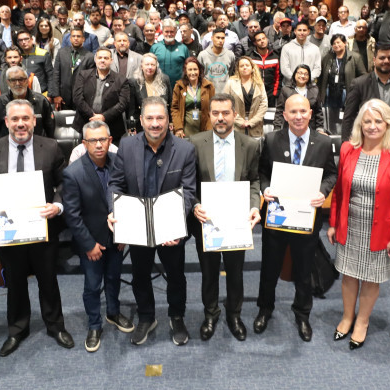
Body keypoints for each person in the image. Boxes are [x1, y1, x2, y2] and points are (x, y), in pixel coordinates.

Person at [0, 99, 74, 356]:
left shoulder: (51, 147)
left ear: (34, 121)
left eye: (25, 119)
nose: (20, 124)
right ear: (6, 122)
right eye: (15, 119)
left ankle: (55, 326)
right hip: (8, 231)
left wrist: (58, 206)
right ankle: (17, 329)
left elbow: (66, 185)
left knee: (48, 280)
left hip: (43, 228)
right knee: (15, 282)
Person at [107, 96, 197, 346]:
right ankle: (147, 316)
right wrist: (114, 209)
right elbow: (115, 183)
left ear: (169, 121)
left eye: (160, 118)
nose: (155, 123)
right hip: (137, 226)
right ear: (141, 120)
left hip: (171, 229)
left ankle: (176, 316)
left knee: (176, 276)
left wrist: (177, 224)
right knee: (140, 275)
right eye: (150, 118)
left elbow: (189, 192)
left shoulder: (185, 149)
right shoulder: (126, 145)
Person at [327, 99, 390, 350]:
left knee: (371, 279)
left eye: (378, 121)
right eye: (367, 121)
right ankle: (347, 317)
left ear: (388, 124)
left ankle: (362, 322)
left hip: (381, 231)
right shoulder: (347, 150)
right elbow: (340, 193)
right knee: (349, 275)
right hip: (350, 225)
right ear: (359, 124)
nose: (372, 126)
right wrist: (333, 223)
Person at [254, 94, 338, 342]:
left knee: (303, 271)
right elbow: (261, 172)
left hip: (306, 219)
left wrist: (323, 192)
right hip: (276, 219)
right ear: (285, 115)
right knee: (269, 269)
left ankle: (302, 314)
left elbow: (331, 175)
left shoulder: (323, 143)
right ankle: (264, 309)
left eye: (303, 111)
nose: (299, 116)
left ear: (310, 113)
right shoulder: (270, 140)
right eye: (293, 112)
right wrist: (265, 189)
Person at [189, 94, 261, 341]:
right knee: (208, 272)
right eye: (215, 113)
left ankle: (234, 314)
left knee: (235, 271)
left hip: (236, 221)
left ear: (235, 114)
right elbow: (189, 184)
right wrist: (194, 204)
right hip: (206, 221)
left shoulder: (249, 145)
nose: (220, 118)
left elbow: (254, 181)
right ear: (209, 115)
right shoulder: (195, 143)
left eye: (225, 113)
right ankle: (210, 313)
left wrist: (255, 206)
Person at [61, 121, 135, 352]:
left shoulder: (119, 165)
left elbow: (128, 200)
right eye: (93, 140)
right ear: (84, 144)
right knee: (92, 286)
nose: (99, 144)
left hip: (116, 239)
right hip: (90, 243)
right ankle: (94, 324)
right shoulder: (72, 173)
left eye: (103, 139)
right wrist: (89, 244)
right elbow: (72, 216)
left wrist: (125, 234)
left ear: (110, 140)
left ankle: (113, 312)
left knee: (113, 279)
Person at [342, 44, 390, 149]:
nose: (386, 61)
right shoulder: (359, 84)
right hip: (366, 143)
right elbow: (348, 118)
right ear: (374, 60)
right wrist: (346, 146)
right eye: (382, 58)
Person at [72, 47, 131, 143]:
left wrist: (104, 117)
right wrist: (92, 115)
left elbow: (123, 103)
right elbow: (77, 98)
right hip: (86, 123)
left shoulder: (121, 79)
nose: (102, 60)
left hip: (112, 127)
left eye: (106, 58)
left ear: (111, 60)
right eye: (100, 58)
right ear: (95, 59)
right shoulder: (83, 75)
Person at [0, 66, 55, 140]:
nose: (17, 83)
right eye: (13, 80)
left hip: (37, 146)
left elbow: (50, 128)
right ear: (8, 82)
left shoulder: (41, 101)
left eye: (21, 79)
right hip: (8, 147)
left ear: (27, 81)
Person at [223, 56, 268, 138]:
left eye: (247, 65)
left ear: (252, 68)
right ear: (238, 69)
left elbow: (263, 105)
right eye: (241, 66)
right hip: (236, 126)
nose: (244, 67)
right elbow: (226, 104)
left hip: (256, 127)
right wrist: (240, 121)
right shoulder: (230, 83)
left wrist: (251, 122)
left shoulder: (259, 84)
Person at [171, 57, 215, 138]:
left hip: (204, 128)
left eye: (195, 69)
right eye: (190, 70)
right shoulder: (179, 86)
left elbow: (213, 109)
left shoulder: (209, 86)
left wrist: (210, 128)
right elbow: (175, 109)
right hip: (185, 129)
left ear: (199, 70)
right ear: (185, 71)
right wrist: (178, 128)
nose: (193, 72)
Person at [273, 64, 325, 133]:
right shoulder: (286, 90)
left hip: (310, 128)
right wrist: (277, 128)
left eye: (306, 74)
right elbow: (280, 111)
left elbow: (318, 112)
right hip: (290, 128)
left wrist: (320, 128)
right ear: (295, 74)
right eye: (300, 73)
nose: (303, 76)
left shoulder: (314, 90)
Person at [128, 53, 171, 132]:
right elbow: (132, 108)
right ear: (142, 66)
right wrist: (132, 126)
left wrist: (171, 121)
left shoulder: (165, 79)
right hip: (143, 124)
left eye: (152, 64)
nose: (150, 67)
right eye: (147, 64)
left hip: (162, 122)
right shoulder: (134, 82)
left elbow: (170, 103)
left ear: (156, 66)